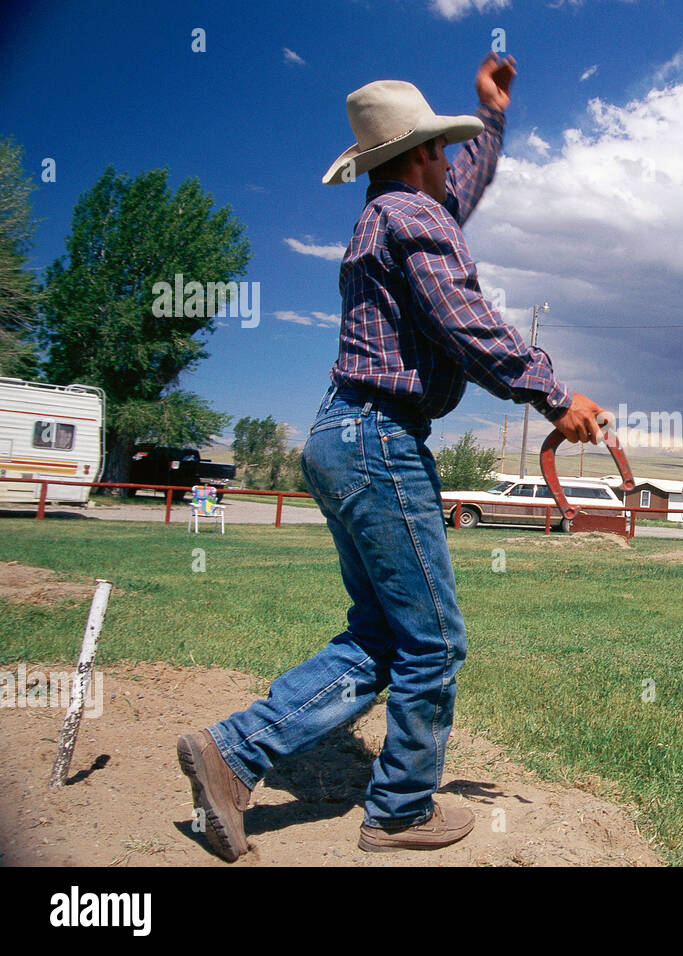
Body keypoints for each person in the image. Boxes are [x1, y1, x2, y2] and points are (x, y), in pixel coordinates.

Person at [176, 56, 608, 862]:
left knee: (384, 636)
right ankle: (402, 809)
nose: (454, 164)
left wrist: (491, 114)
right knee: (435, 642)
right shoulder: (415, 217)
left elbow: (459, 188)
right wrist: (554, 395)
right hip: (381, 439)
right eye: (443, 150)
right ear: (418, 158)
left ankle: (232, 755)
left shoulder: (397, 211)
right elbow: (465, 321)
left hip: (343, 435)